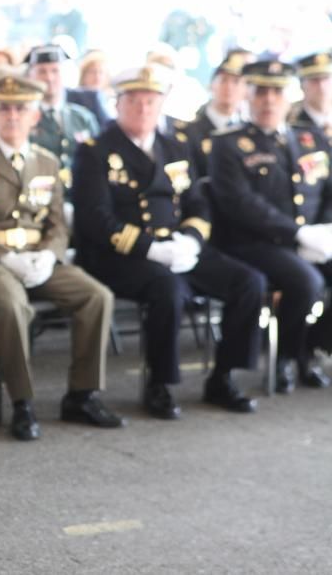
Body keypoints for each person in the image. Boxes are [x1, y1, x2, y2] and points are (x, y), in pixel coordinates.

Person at [73, 64, 266, 418]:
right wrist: (151, 249)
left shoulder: (175, 145)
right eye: (134, 101)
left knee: (249, 283)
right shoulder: (96, 151)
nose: (144, 108)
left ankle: (223, 376)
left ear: (161, 104)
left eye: (151, 101)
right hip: (122, 255)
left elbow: (197, 203)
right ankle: (159, 384)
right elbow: (95, 220)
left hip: (179, 248)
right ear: (118, 104)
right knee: (168, 290)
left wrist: (191, 239)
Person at [0, 74, 121, 440]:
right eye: (3, 108)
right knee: (12, 306)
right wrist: (8, 257)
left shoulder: (46, 162)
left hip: (37, 258)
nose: (12, 115)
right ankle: (22, 403)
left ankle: (82, 394)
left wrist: (48, 255)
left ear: (35, 116)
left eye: (21, 108)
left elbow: (58, 226)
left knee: (96, 297)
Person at [210, 59, 332, 392]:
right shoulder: (227, 144)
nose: (268, 100)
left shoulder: (310, 139)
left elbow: (327, 190)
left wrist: (324, 230)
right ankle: (285, 359)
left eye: (276, 92)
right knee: (306, 283)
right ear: (247, 95)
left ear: (288, 97)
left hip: (311, 239)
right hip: (254, 244)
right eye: (260, 91)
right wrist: (298, 233)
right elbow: (240, 204)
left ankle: (312, 344)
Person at [25, 44, 100, 193]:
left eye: (55, 71)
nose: (49, 78)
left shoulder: (82, 117)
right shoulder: (24, 119)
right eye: (42, 72)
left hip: (80, 195)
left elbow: (98, 161)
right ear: (30, 76)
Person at [172, 49, 253, 177]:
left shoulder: (250, 132)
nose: (229, 87)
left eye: (236, 82)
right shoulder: (188, 131)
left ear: (246, 91)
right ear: (211, 85)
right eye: (223, 80)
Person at [288, 51, 332, 134]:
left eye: (326, 78)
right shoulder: (291, 121)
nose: (321, 86)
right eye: (315, 80)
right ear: (302, 85)